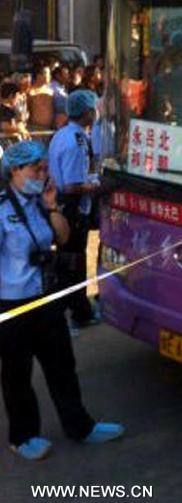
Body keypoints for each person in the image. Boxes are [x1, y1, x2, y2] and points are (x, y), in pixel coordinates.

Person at [0, 141, 123, 459]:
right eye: (35, 168)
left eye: (44, 168)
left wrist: (53, 206)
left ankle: (80, 425)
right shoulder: (2, 207)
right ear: (14, 170)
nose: (43, 173)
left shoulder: (41, 202)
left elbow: (64, 238)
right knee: (17, 373)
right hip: (12, 305)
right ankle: (23, 436)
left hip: (46, 298)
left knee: (62, 366)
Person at [48, 90, 100, 329]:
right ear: (87, 112)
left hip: (60, 204)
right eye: (93, 109)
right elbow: (72, 185)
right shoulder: (76, 140)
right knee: (74, 261)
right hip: (72, 208)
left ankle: (71, 309)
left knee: (67, 259)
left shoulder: (62, 133)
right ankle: (79, 311)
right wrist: (97, 186)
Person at [28, 64, 54, 136]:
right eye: (47, 73)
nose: (49, 76)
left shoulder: (51, 91)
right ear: (39, 75)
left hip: (50, 129)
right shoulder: (30, 92)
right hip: (35, 129)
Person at [49, 65, 69, 130]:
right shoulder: (53, 88)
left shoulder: (62, 88)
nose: (67, 76)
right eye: (65, 74)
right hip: (57, 124)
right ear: (58, 76)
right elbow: (59, 106)